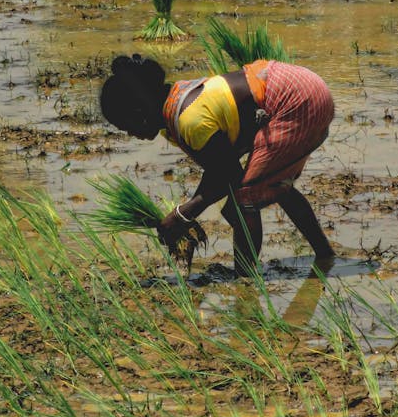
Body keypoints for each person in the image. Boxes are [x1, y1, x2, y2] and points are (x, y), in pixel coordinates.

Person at [100, 54, 335, 276]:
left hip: (296, 99)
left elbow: (228, 174)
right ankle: (325, 257)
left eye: (126, 125)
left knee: (244, 202)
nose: (131, 133)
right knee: (271, 184)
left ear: (140, 112)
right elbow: (220, 171)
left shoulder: (189, 120)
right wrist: (188, 216)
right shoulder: (176, 103)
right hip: (297, 85)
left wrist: (183, 215)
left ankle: (245, 283)